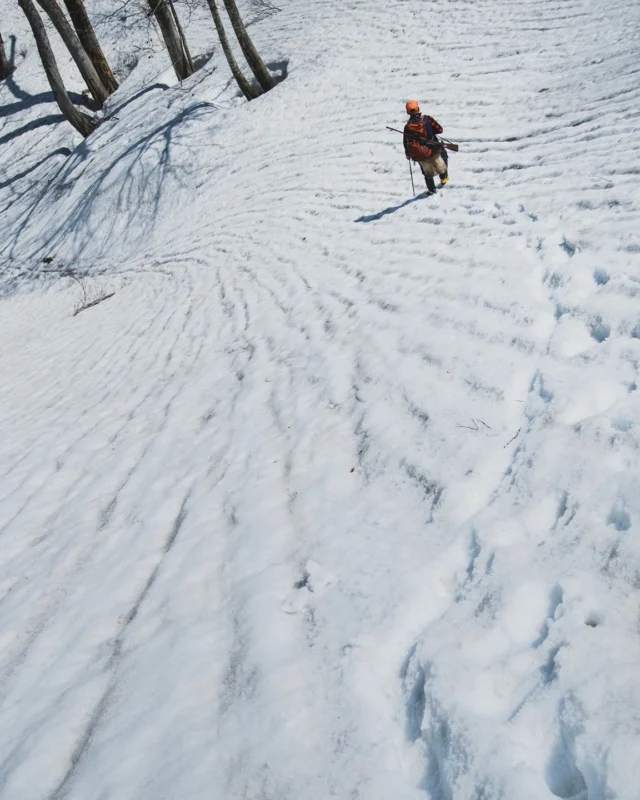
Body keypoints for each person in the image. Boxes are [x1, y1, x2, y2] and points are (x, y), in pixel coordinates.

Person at [403, 100, 449, 195]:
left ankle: (431, 189)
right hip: (433, 147)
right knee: (440, 160)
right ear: (418, 108)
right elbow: (440, 129)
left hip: (420, 152)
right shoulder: (427, 119)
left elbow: (406, 143)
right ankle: (444, 178)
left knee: (426, 170)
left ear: (407, 112)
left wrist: (408, 154)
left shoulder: (407, 127)